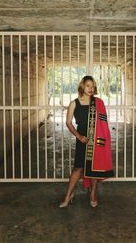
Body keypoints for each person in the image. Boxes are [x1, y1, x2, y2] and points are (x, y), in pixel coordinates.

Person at [59, 75, 114, 208]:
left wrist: (101, 140)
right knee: (78, 168)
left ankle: (93, 193)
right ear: (82, 86)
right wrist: (78, 136)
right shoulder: (74, 103)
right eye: (88, 85)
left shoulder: (98, 102)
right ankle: (68, 195)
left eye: (93, 86)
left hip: (96, 141)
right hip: (82, 140)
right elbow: (68, 122)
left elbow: (103, 124)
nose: (91, 88)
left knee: (94, 168)